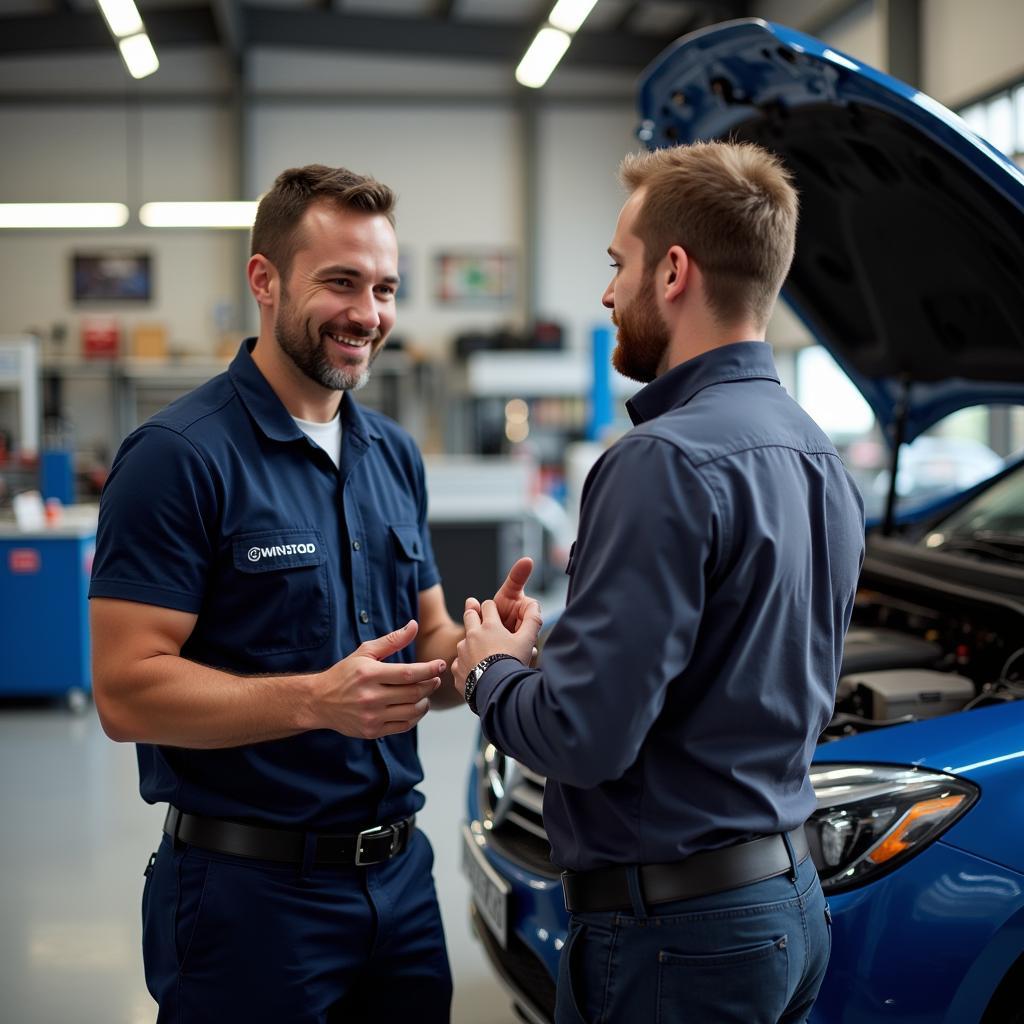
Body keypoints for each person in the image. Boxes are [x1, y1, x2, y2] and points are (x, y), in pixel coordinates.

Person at [89, 164, 536, 1024]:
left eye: (384, 287)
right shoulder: (179, 457)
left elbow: (430, 637)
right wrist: (315, 702)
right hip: (250, 901)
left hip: (401, 888)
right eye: (339, 281)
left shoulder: (392, 453)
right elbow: (124, 689)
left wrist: (483, 655)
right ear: (265, 280)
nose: (367, 313)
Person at [452, 140, 866, 1024]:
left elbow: (585, 738)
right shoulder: (819, 456)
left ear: (673, 271)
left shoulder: (660, 461)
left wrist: (493, 669)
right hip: (789, 912)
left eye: (618, 265)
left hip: (675, 941)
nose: (607, 293)